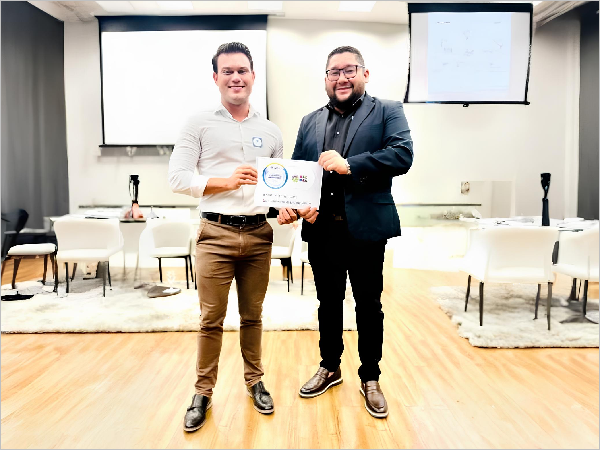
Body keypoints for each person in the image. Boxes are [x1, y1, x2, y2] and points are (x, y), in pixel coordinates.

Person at [278, 45, 413, 418]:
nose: (341, 77)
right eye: (334, 72)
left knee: (369, 305)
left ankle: (370, 376)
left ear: (364, 74)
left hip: (367, 229)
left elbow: (402, 154)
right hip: (322, 230)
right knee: (328, 303)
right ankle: (330, 367)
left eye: (349, 70)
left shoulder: (387, 110)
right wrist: (291, 204)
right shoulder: (310, 121)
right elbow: (298, 172)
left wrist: (349, 164)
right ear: (326, 79)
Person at [169, 42, 283, 432]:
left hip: (258, 234)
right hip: (215, 233)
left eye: (242, 71)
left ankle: (255, 381)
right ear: (216, 78)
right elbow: (177, 179)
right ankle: (202, 392)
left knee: (253, 317)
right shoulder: (198, 123)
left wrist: (286, 205)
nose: (236, 78)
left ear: (253, 76)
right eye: (228, 71)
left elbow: (276, 186)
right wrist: (226, 181)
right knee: (210, 320)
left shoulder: (270, 131)